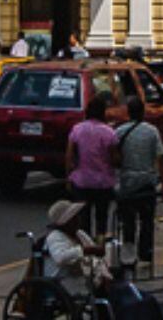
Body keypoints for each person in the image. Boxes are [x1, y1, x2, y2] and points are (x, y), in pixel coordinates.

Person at [114, 96, 163, 264]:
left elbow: (113, 155)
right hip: (147, 181)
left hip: (127, 182)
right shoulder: (152, 131)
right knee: (147, 220)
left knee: (128, 222)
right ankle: (145, 252)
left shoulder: (119, 131)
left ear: (128, 112)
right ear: (143, 112)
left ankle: (129, 256)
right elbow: (160, 157)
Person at [65, 94, 119, 235]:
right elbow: (114, 159)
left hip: (82, 181)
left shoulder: (77, 129)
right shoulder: (109, 132)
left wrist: (69, 177)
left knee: (83, 220)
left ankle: (86, 245)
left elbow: (69, 156)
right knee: (101, 219)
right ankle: (100, 244)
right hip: (103, 183)